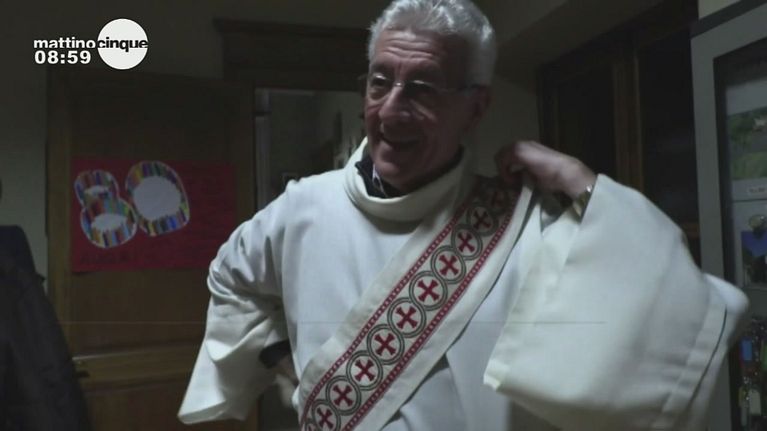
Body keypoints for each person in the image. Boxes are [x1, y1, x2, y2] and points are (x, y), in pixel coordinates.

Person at [179, 0, 748, 429]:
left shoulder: (524, 222)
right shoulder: (301, 207)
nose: (391, 110)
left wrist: (580, 181)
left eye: (422, 88)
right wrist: (288, 363)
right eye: (380, 82)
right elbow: (231, 279)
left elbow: (684, 311)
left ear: (476, 108)